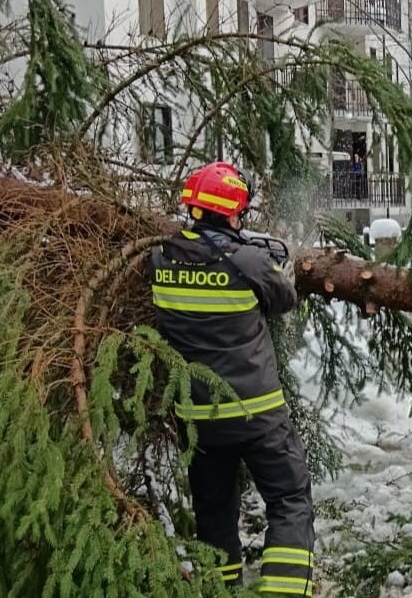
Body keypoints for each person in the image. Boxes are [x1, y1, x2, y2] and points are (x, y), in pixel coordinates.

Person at [148, 161, 315, 595]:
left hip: (199, 418)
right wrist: (279, 269)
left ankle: (221, 591)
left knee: (214, 514)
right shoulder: (248, 260)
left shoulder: (160, 258)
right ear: (232, 213)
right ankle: (283, 591)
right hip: (258, 413)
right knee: (289, 500)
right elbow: (284, 299)